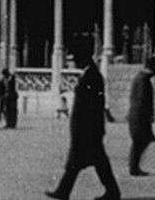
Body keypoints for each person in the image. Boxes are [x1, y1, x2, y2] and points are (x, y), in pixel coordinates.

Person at [44, 52, 121, 200]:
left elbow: (92, 106)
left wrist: (84, 130)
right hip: (87, 128)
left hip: (87, 129)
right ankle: (65, 191)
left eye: (72, 59)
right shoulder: (90, 74)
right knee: (92, 162)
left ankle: (64, 191)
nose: (71, 63)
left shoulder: (92, 75)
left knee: (82, 162)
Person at [127, 56, 155, 176]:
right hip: (139, 116)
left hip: (138, 115)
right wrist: (147, 118)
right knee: (139, 142)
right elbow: (141, 101)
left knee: (141, 141)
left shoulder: (141, 78)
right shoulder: (143, 80)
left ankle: (134, 167)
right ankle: (133, 168)